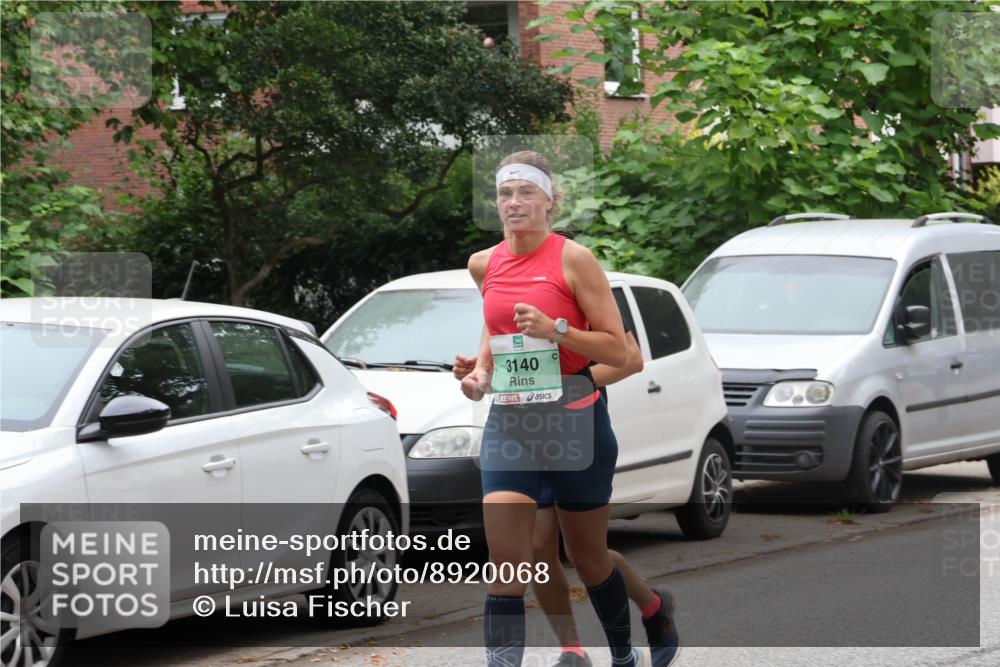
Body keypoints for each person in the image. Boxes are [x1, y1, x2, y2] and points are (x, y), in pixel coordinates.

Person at [461, 150, 657, 667]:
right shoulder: (484, 263)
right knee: (507, 563)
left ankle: (623, 654)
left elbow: (620, 351)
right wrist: (480, 374)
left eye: (527, 192)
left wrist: (557, 330)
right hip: (512, 418)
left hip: (574, 416)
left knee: (590, 557)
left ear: (551, 201)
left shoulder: (574, 260)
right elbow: (495, 328)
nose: (514, 203)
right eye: (505, 193)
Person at [454, 326, 680, 667]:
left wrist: (558, 383)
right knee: (538, 547)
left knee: (585, 552)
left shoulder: (578, 278)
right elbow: (508, 357)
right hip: (522, 430)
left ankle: (653, 607)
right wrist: (482, 368)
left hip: (577, 426)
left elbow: (630, 359)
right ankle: (571, 648)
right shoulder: (495, 277)